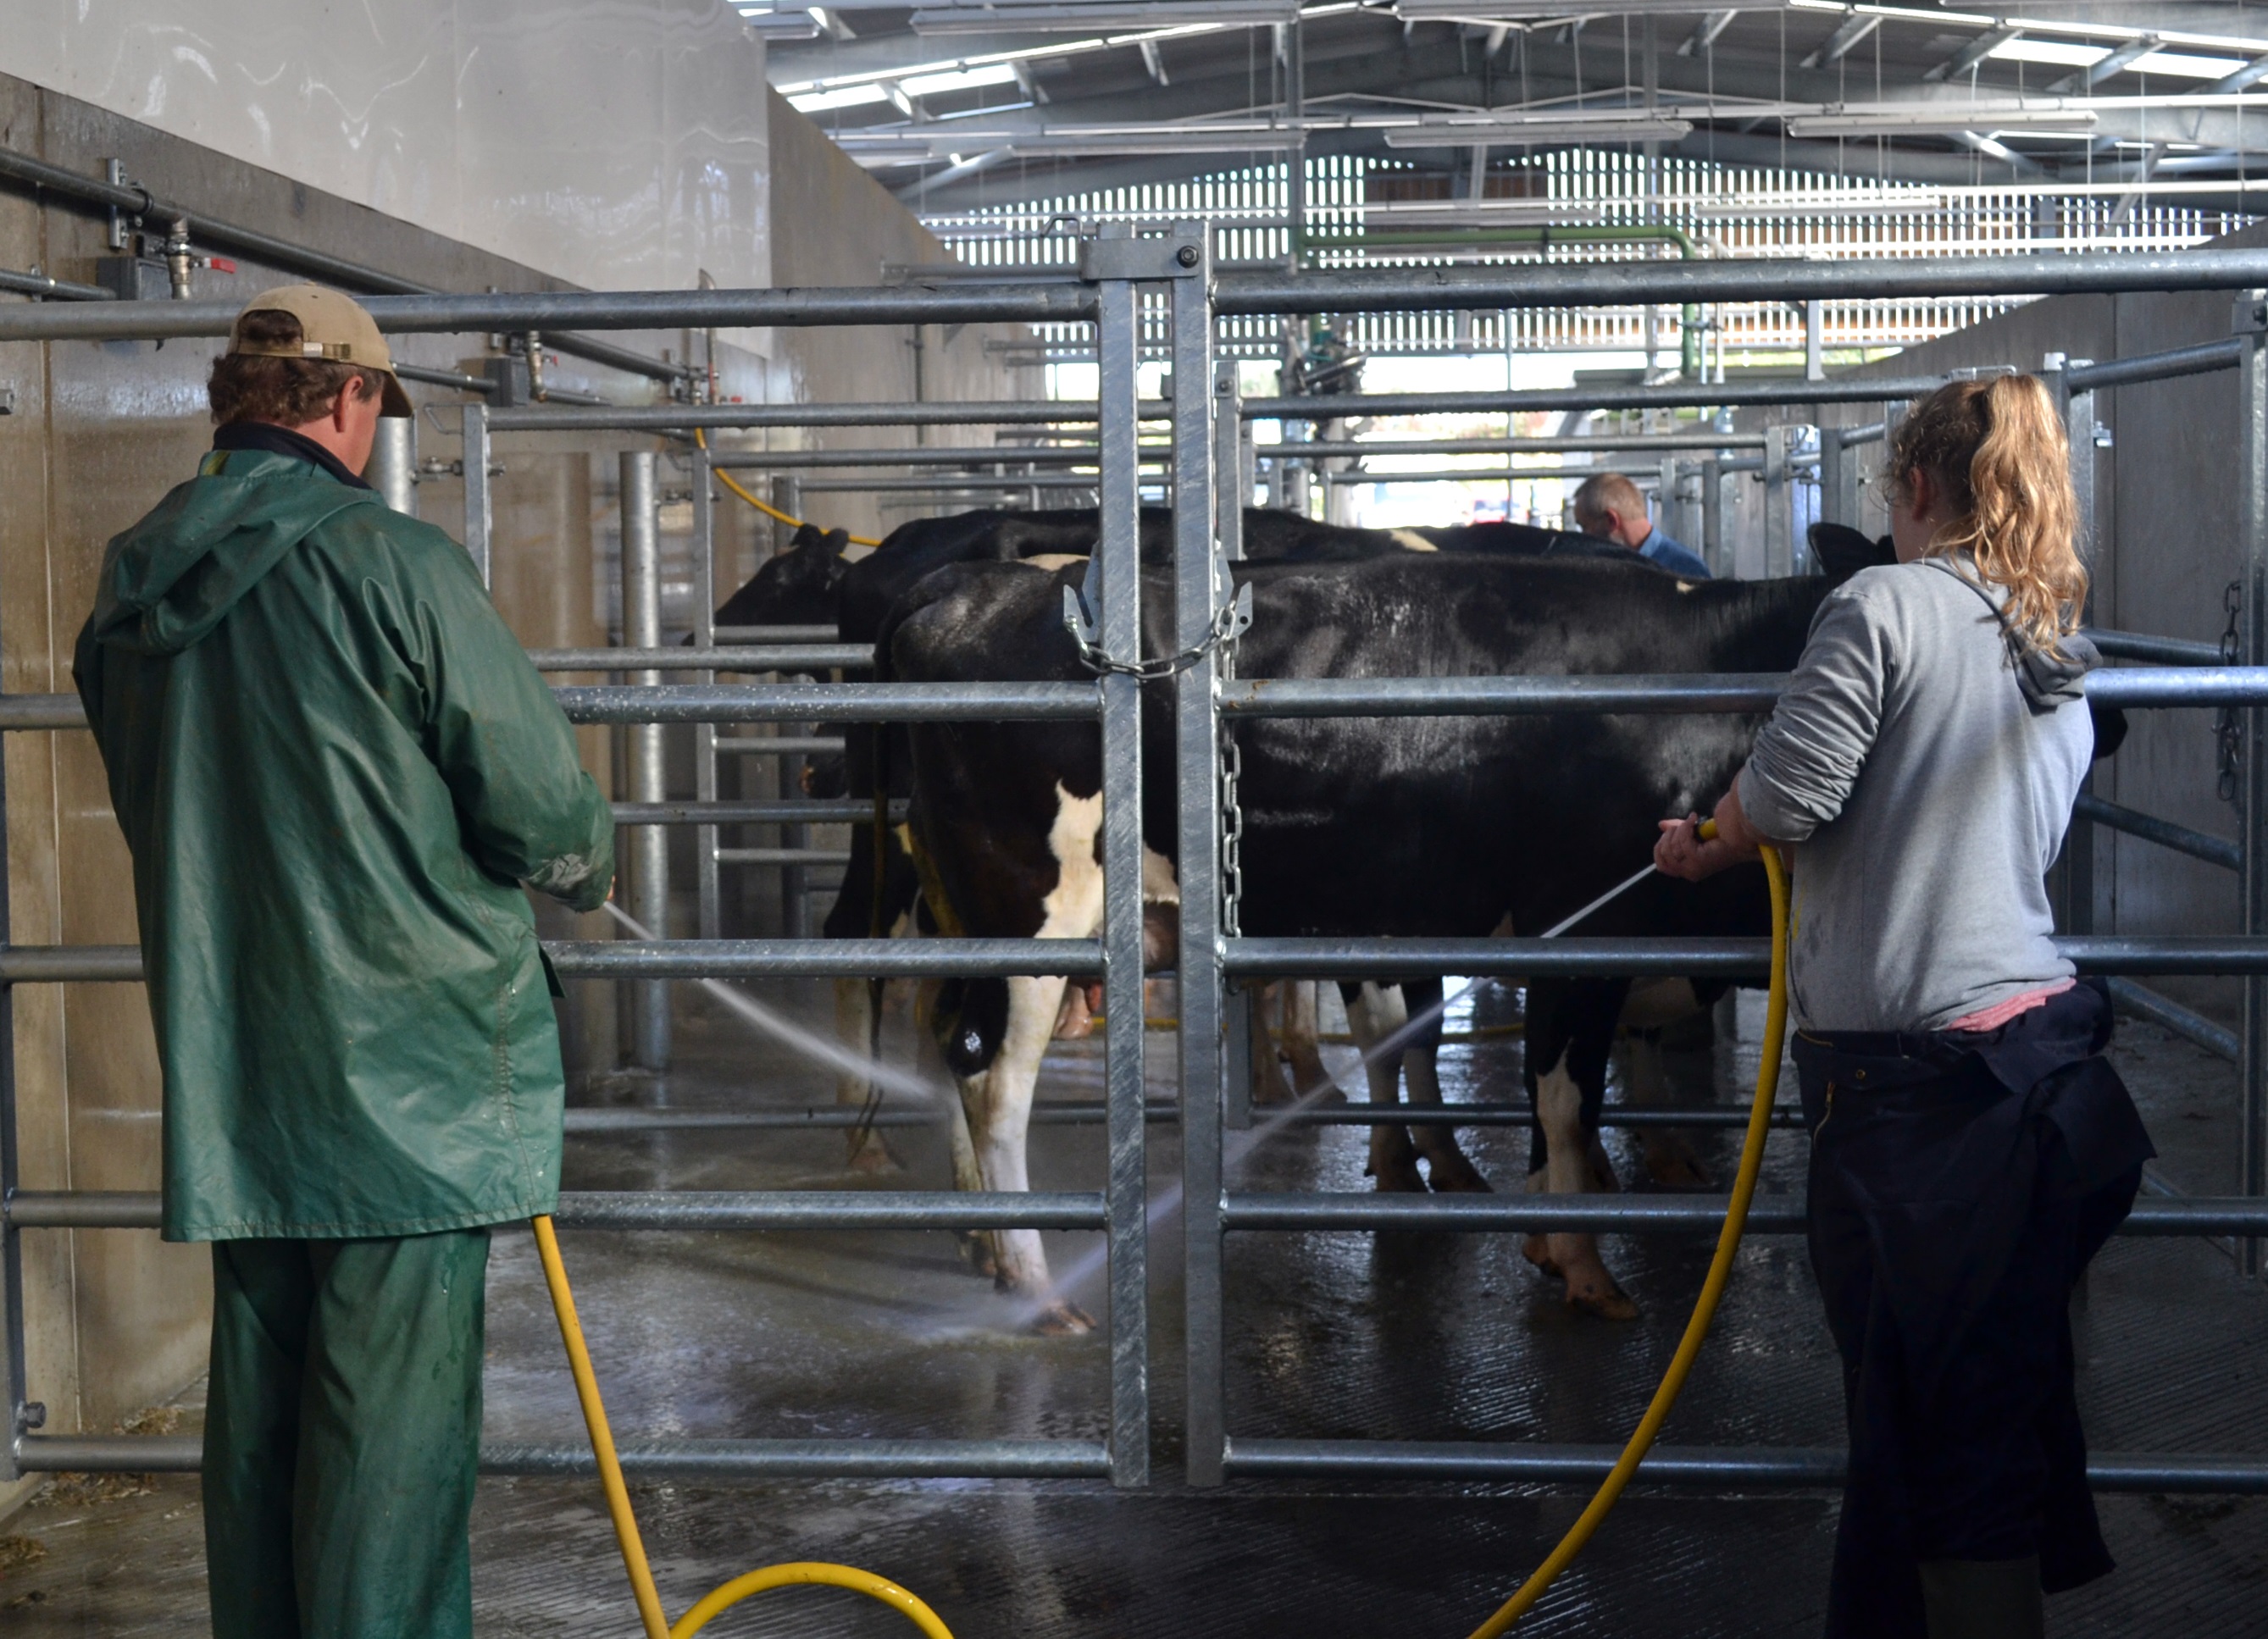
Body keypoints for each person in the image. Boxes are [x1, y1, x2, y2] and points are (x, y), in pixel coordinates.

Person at [74, 285, 615, 1639]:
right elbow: (546, 815)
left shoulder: (134, 578)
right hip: (413, 1082)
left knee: (260, 1422)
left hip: (240, 1060)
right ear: (351, 399)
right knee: (390, 1442)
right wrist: (585, 875)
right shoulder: (396, 564)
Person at [1653, 375, 2152, 1639]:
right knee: (1987, 1401)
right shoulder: (2051, 625)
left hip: (1916, 1096)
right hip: (2040, 1067)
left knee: (1940, 1433)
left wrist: (1714, 833)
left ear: (1917, 489)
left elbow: (1795, 794)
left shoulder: (1878, 601)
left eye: (1887, 490)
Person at [1572, 469, 1711, 578]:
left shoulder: (1685, 570)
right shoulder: (1681, 567)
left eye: (1585, 527)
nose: (1585, 536)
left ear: (1611, 520)